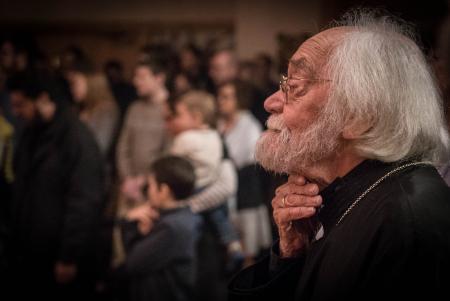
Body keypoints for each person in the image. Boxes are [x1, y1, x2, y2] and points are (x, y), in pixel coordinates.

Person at [228, 10, 450, 300]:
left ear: (360, 115)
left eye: (294, 88)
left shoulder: (405, 223)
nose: (271, 102)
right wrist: (291, 255)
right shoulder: (357, 193)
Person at [7, 71, 104, 300]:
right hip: (31, 250)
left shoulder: (77, 138)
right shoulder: (32, 132)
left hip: (59, 254)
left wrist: (69, 256)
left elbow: (84, 200)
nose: (15, 112)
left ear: (43, 99)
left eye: (21, 105)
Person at [166, 90, 244, 266]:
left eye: (177, 115)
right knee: (220, 218)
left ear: (196, 117)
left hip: (193, 191)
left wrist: (186, 205)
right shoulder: (215, 135)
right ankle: (233, 246)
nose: (173, 120)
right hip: (212, 188)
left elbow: (172, 164)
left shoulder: (185, 138)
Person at [115, 155, 201, 301]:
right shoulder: (184, 216)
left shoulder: (172, 227)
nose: (148, 191)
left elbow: (133, 264)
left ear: (164, 190)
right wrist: (140, 233)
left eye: (151, 185)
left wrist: (128, 223)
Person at [217, 79, 272, 266]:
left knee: (248, 247)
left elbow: (247, 157)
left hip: (245, 189)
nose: (221, 101)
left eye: (226, 97)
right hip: (225, 191)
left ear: (238, 99)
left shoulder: (249, 124)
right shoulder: (219, 124)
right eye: (220, 96)